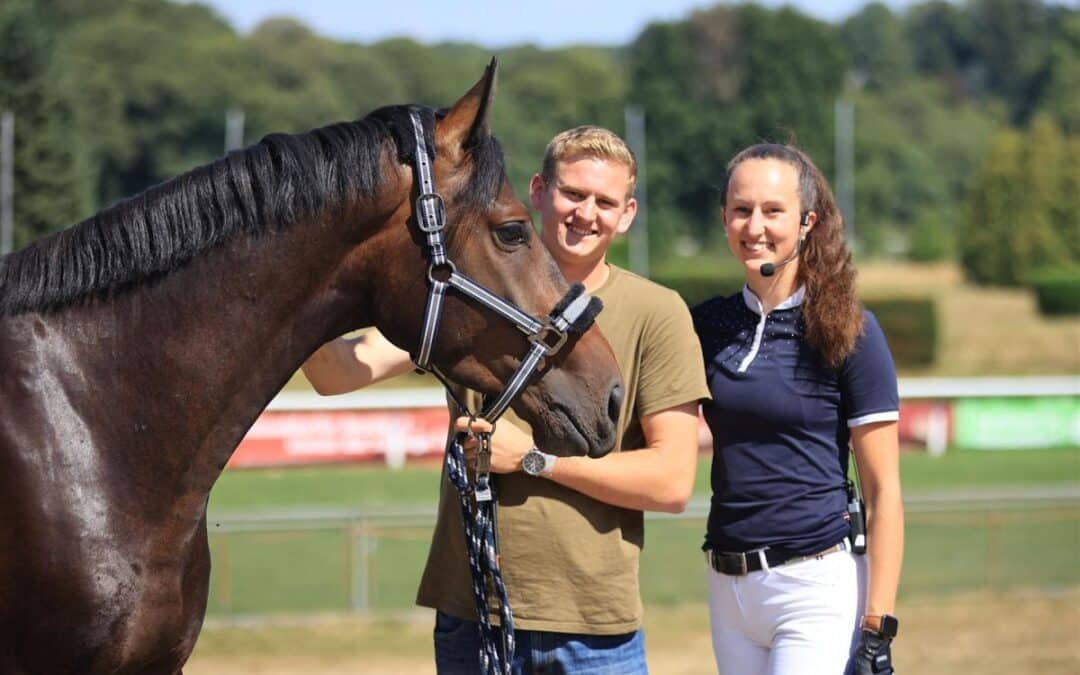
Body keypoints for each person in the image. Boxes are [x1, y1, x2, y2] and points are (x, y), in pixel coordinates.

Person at [302, 125, 709, 674]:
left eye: (605, 201)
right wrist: (305, 272)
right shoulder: (469, 295)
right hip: (474, 617)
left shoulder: (657, 312)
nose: (586, 213)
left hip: (593, 633)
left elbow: (670, 481)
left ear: (628, 214)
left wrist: (535, 462)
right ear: (539, 192)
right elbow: (335, 374)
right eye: (572, 193)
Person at [691, 143, 904, 675]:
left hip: (814, 587)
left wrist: (878, 625)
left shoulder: (851, 330)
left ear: (807, 221)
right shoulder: (705, 325)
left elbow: (885, 493)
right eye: (741, 210)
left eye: (773, 210)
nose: (754, 225)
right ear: (724, 218)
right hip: (727, 587)